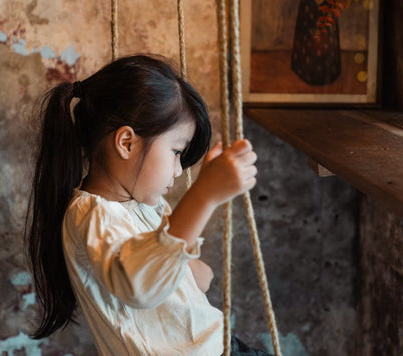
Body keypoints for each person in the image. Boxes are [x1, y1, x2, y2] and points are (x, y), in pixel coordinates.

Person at [26, 54, 270, 356]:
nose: (178, 170)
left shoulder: (147, 207)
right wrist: (204, 195)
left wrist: (182, 252)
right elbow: (140, 286)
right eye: (176, 151)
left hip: (222, 346)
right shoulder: (91, 218)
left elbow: (201, 280)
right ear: (126, 143)